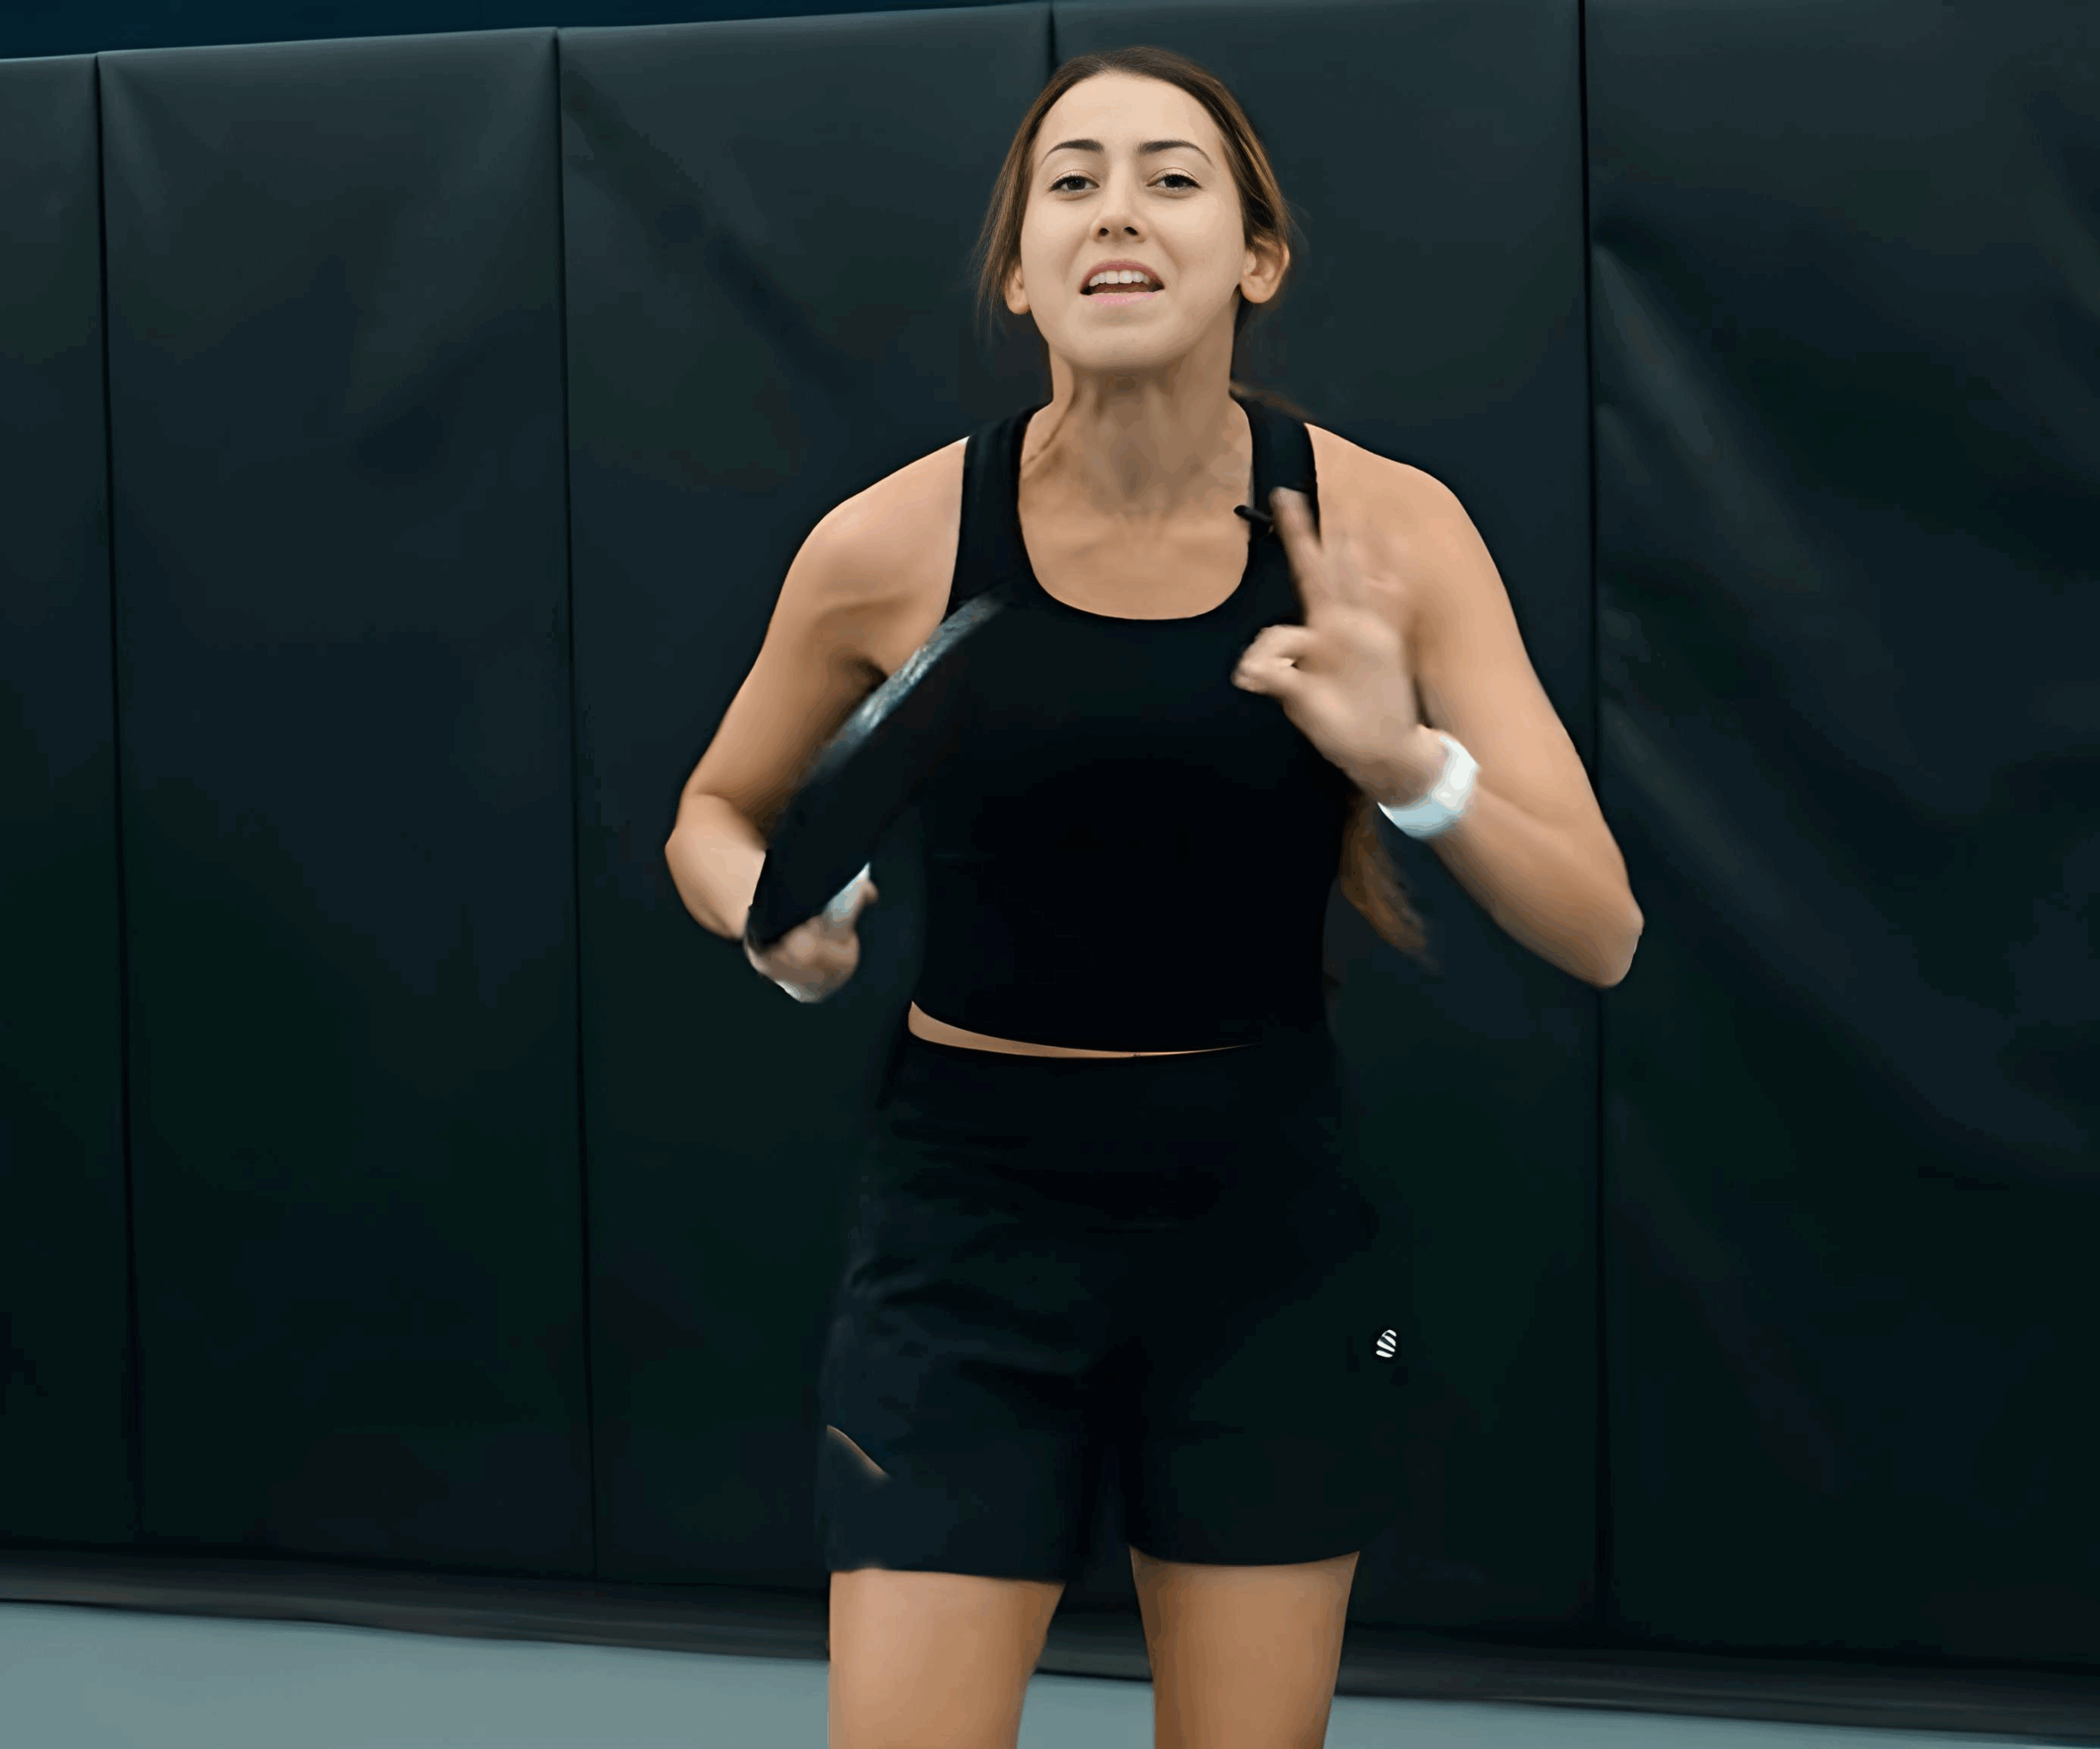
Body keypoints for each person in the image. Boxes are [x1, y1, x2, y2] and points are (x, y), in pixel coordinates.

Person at [664, 43, 1643, 1749]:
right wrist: (773, 919)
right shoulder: (885, 543)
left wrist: (1406, 761)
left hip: (1263, 1231)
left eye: (1171, 178)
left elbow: (1599, 927)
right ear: (1019, 269)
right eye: (1073, 181)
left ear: (1256, 257)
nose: (1117, 210)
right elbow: (713, 812)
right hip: (964, 1226)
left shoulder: (1393, 535)